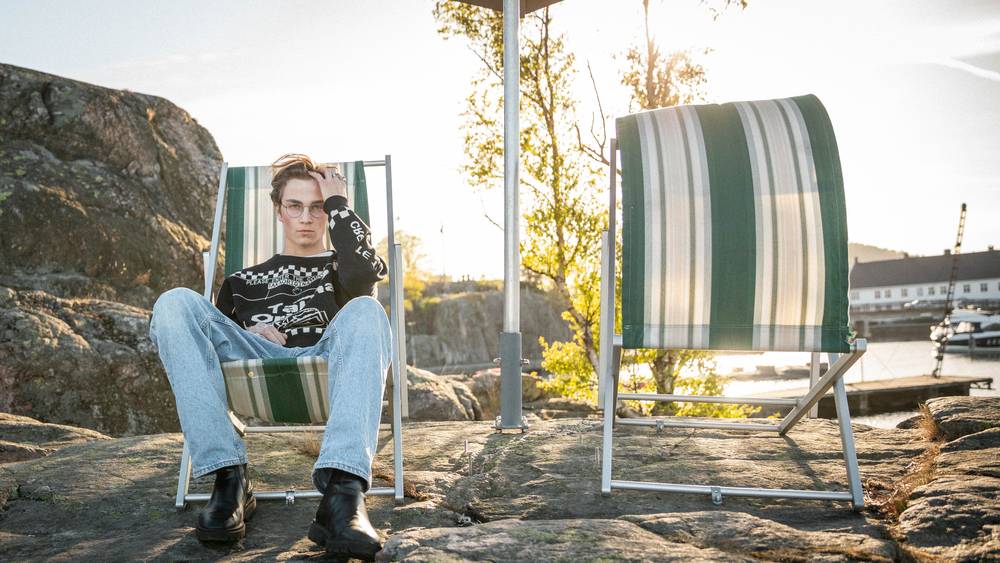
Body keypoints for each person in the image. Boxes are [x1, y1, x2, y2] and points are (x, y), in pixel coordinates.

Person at [148, 154, 390, 560]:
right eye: (295, 206)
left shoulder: (345, 268)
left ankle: (343, 496)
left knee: (368, 310)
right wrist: (246, 333)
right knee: (173, 303)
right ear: (278, 210)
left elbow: (367, 276)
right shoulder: (241, 281)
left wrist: (339, 203)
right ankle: (229, 479)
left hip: (328, 358)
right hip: (255, 360)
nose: (307, 217)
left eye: (318, 207)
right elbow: (208, 348)